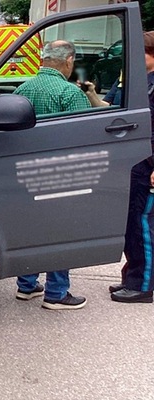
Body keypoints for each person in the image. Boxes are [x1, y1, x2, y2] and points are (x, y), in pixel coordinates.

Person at [12, 40, 91, 310]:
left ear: (43, 59)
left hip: (25, 174)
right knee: (60, 231)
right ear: (69, 61)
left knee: (29, 228)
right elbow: (82, 139)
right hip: (59, 175)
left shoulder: (22, 89)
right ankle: (57, 293)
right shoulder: (70, 94)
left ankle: (27, 285)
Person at [110, 31, 154, 303]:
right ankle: (131, 276)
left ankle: (143, 285)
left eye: (142, 53)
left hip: (148, 165)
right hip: (135, 161)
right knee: (131, 226)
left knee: (143, 227)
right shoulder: (143, 82)